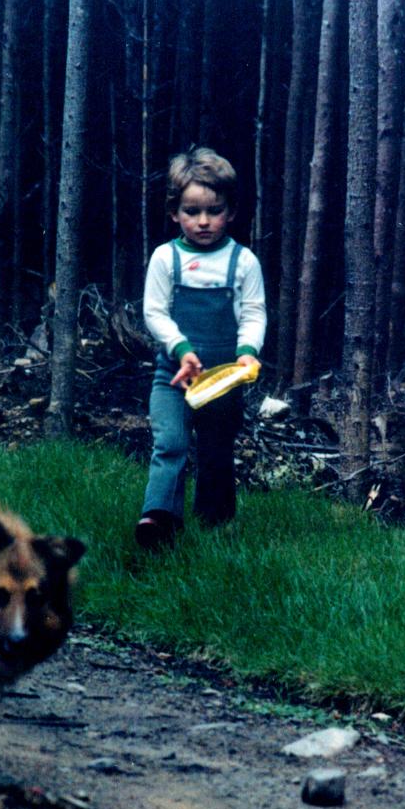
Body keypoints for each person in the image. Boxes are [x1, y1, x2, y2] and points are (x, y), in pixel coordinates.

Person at [135, 148, 267, 550]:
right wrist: (182, 349)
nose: (204, 221)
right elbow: (154, 312)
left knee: (216, 451)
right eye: (192, 211)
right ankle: (159, 519)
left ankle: (215, 528)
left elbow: (254, 313)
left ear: (231, 211)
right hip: (174, 375)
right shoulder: (166, 258)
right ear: (174, 213)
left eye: (214, 210)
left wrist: (247, 351)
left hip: (223, 379)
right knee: (170, 443)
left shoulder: (243, 262)